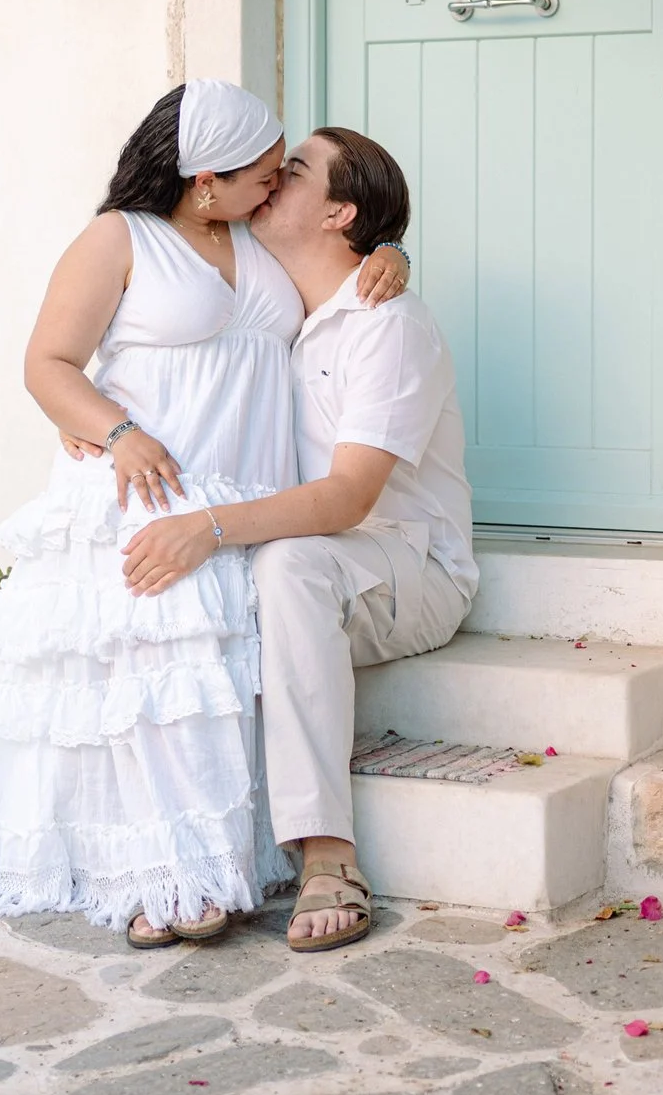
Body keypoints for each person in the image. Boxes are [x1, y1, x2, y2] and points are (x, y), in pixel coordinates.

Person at [0, 83, 407, 948]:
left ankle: (193, 865)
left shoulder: (259, 238)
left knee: (199, 694)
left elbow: (342, 247)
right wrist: (116, 432)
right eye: (263, 171)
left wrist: (395, 252)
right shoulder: (118, 238)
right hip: (145, 488)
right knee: (129, 692)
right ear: (205, 179)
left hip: (242, 503)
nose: (277, 183)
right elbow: (49, 363)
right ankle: (135, 867)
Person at [118, 126, 474, 953]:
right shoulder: (271, 303)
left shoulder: (390, 324)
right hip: (310, 558)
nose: (272, 177)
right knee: (169, 594)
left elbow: (350, 497)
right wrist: (104, 425)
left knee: (285, 564)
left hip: (406, 565)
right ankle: (174, 855)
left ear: (339, 213)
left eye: (297, 171)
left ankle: (328, 854)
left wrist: (206, 528)